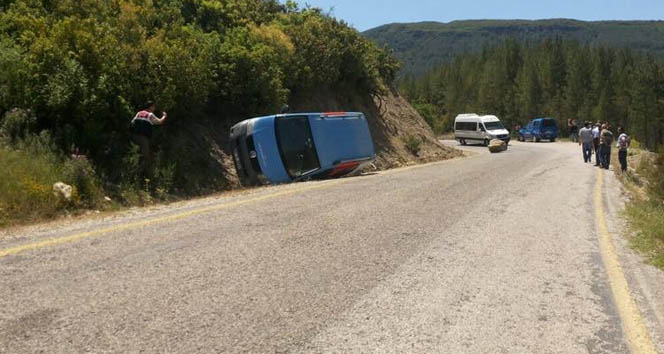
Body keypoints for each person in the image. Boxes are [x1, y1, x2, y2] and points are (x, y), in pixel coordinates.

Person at [131, 101, 167, 179]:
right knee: (145, 157)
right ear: (150, 107)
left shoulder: (138, 113)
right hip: (143, 139)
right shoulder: (150, 114)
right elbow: (160, 122)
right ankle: (137, 176)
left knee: (135, 155)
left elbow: (132, 122)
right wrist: (164, 116)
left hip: (134, 137)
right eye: (153, 107)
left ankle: (134, 172)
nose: (154, 108)